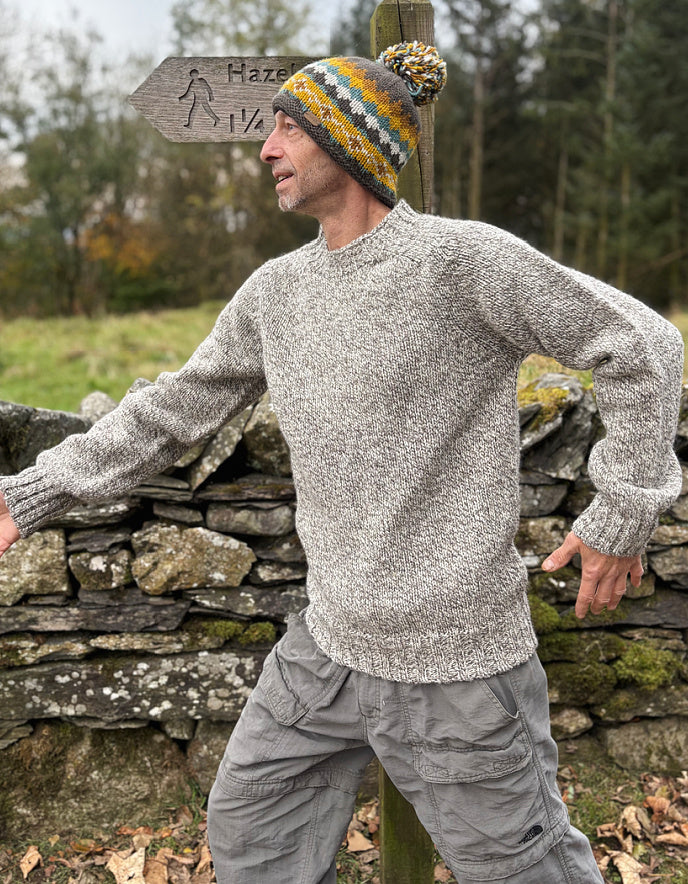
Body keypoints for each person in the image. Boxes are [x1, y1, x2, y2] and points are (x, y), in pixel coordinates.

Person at [0, 42, 683, 883]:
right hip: (326, 649)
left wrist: (620, 515)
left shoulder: (461, 263)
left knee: (523, 870)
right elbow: (170, 409)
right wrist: (27, 494)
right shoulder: (274, 294)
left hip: (456, 667)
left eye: (287, 127)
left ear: (349, 143)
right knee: (253, 830)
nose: (266, 149)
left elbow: (642, 344)